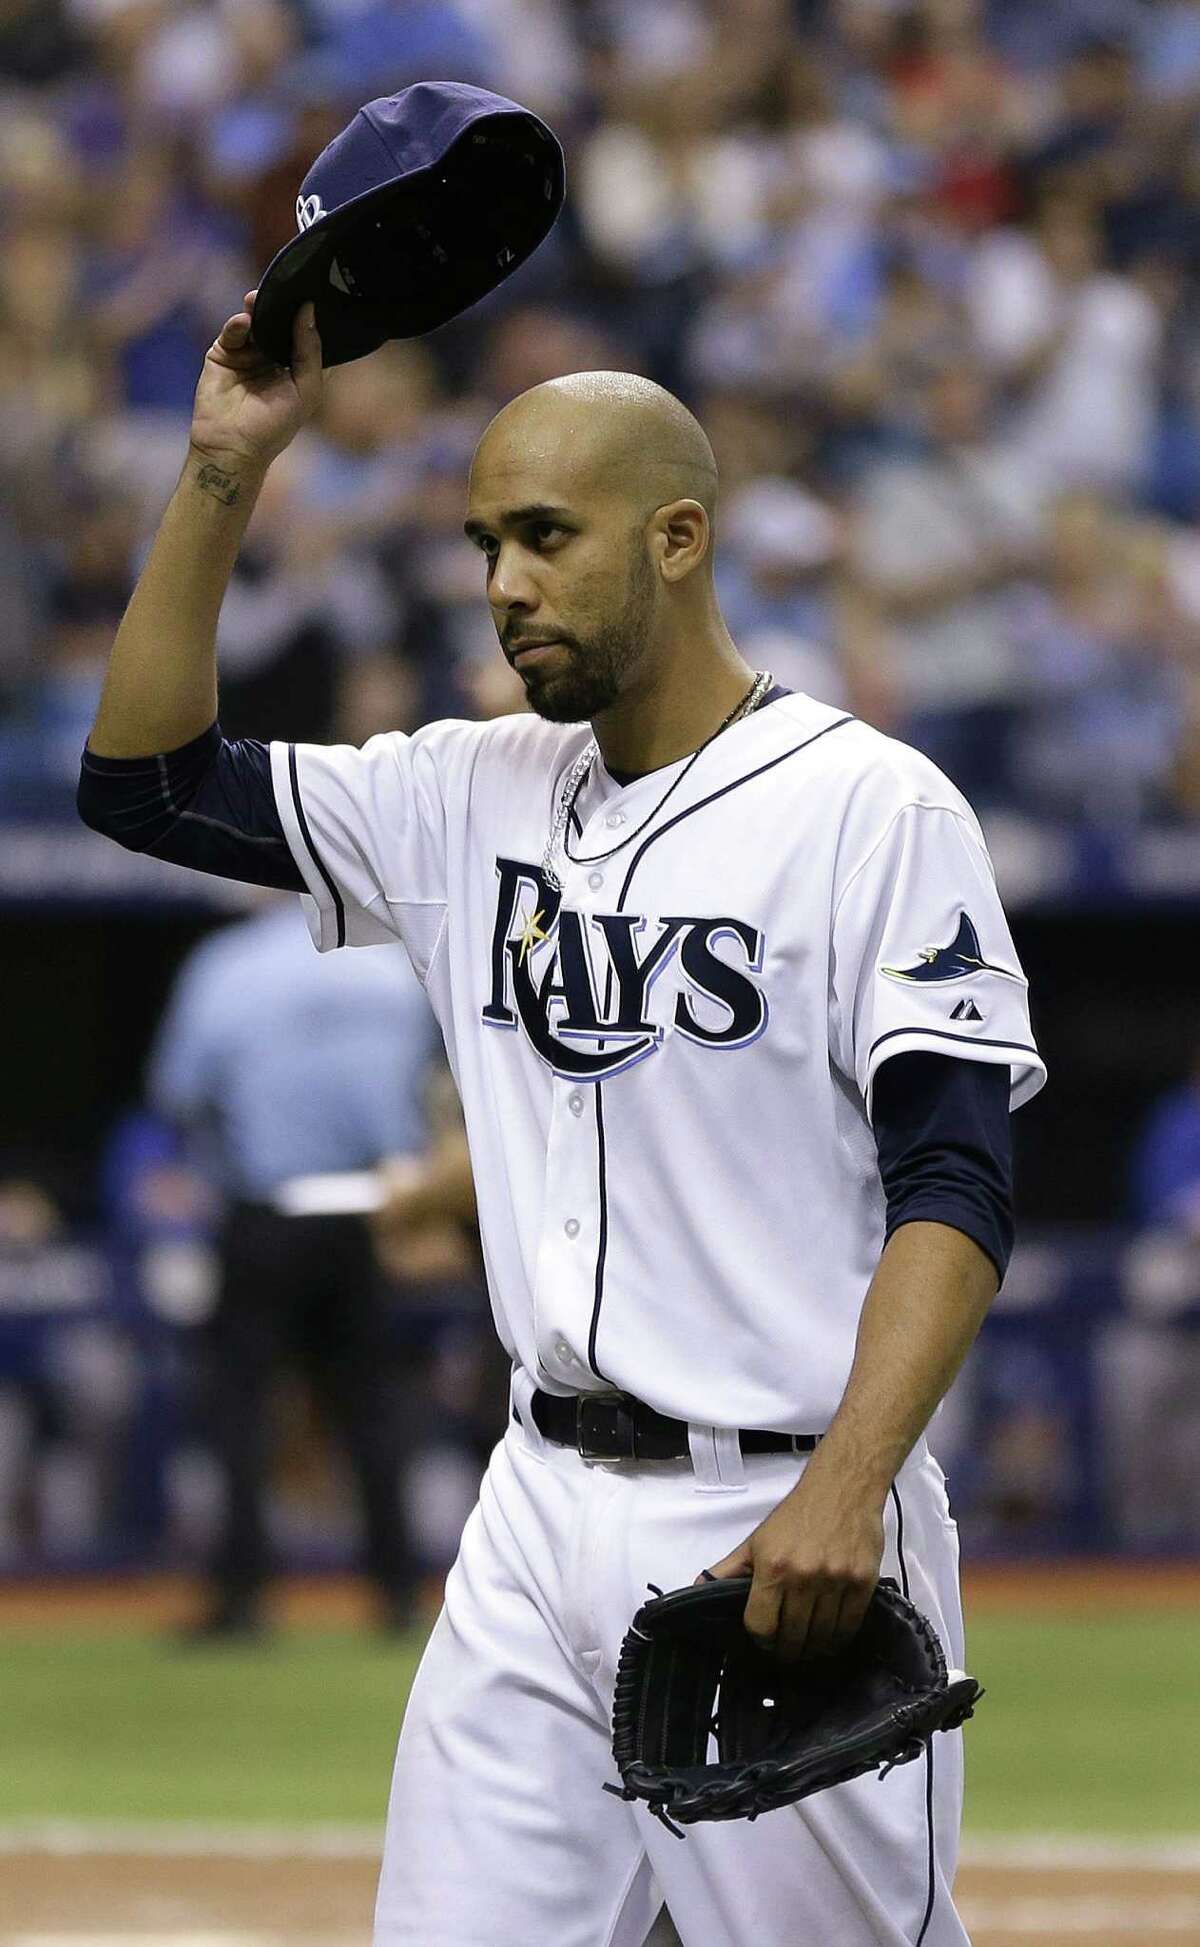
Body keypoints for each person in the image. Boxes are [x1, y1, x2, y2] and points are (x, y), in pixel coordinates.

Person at [78, 292, 1045, 1946]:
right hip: (536, 1509)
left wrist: (848, 1485)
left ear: (679, 536)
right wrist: (226, 467)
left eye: (544, 536)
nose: (505, 582)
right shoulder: (467, 791)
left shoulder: (869, 807)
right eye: (482, 545)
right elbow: (145, 779)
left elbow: (956, 1183)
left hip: (777, 1516)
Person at [148, 891, 440, 1636]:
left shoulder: (228, 964)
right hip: (370, 1207)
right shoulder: (391, 967)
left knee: (241, 1407)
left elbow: (179, 1093)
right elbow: (436, 1085)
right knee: (372, 1406)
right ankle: (400, 1592)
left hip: (268, 1209)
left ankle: (243, 1595)